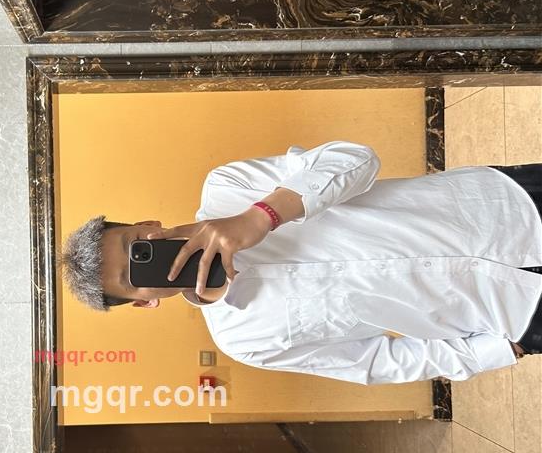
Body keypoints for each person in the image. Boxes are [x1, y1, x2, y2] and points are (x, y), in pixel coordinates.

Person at [60, 141, 542, 384]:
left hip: (503, 206)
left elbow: (356, 159)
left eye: (136, 245)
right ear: (145, 303)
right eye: (133, 277)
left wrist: (262, 215)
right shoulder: (244, 340)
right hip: (510, 314)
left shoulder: (227, 187)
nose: (147, 259)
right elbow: (375, 364)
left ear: (147, 223)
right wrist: (501, 349)